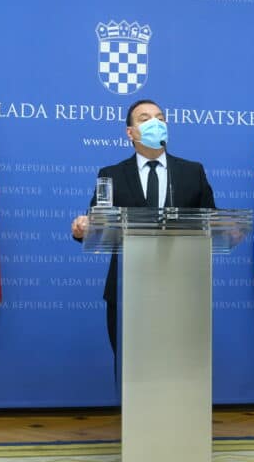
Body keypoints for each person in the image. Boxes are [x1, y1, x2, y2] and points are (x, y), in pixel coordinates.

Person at [71, 99, 215, 355]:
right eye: (145, 119)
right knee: (131, 364)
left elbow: (211, 223)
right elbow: (97, 225)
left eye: (160, 118)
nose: (155, 123)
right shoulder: (112, 174)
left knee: (179, 363)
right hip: (127, 290)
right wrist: (83, 229)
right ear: (130, 132)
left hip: (181, 290)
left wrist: (227, 229)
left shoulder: (192, 172)